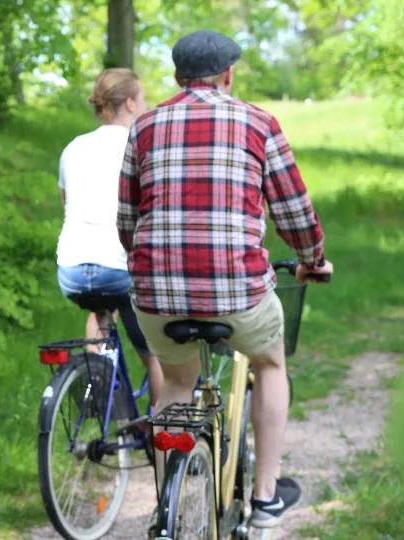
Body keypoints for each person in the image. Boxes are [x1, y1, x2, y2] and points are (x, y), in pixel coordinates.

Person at [117, 30, 334, 532]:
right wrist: (312, 258)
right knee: (271, 362)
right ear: (229, 76)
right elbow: (293, 211)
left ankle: (167, 496)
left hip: (156, 292)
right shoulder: (258, 122)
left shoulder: (144, 126)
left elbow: (127, 220)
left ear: (176, 78)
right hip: (238, 293)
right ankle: (265, 497)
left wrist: (151, 266)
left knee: (174, 381)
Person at [56, 68, 163, 407]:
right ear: (130, 103)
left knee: (101, 313)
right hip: (120, 270)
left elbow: (67, 202)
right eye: (144, 99)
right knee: (158, 358)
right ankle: (165, 448)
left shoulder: (74, 147)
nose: (146, 106)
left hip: (72, 270)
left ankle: (99, 398)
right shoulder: (141, 146)